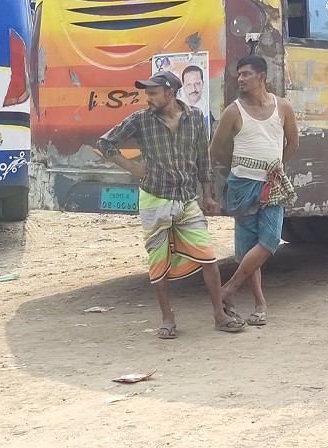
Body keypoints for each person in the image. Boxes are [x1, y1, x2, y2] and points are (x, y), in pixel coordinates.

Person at [97, 70, 246, 338]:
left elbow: (204, 160)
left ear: (170, 93)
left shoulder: (196, 119)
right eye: (147, 93)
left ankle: (219, 315)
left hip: (187, 199)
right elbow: (105, 143)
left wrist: (208, 195)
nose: (148, 98)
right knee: (157, 261)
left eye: (153, 93)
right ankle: (168, 318)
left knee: (208, 257)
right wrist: (133, 167)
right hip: (154, 198)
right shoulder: (141, 120)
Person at [211, 55, 300, 327]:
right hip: (242, 185)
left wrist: (277, 167)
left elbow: (293, 142)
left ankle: (229, 289)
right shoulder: (233, 111)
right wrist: (239, 166)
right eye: (239, 74)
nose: (241, 79)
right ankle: (260, 304)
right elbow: (216, 149)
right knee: (250, 246)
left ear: (262, 77)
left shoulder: (282, 107)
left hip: (272, 183)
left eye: (247, 74)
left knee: (270, 239)